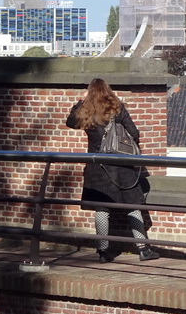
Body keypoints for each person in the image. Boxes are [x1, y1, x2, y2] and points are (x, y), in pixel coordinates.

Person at [66, 78, 159, 263]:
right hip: (122, 165)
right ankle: (143, 249)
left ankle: (103, 251)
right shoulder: (117, 108)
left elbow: (71, 123)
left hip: (97, 167)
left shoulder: (86, 111)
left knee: (102, 210)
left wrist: (80, 102)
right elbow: (134, 133)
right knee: (132, 207)